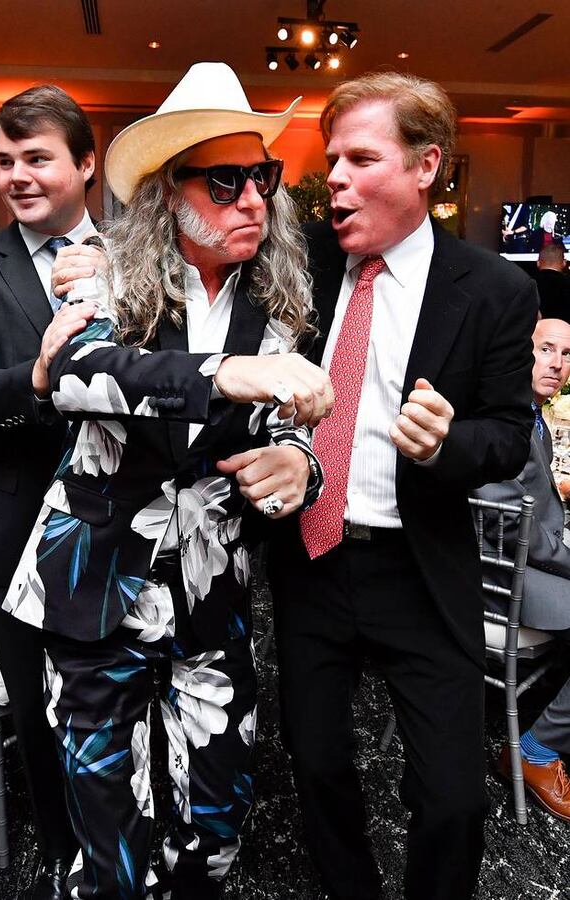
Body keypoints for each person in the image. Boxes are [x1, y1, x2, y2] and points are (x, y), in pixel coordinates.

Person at [3, 62, 331, 900]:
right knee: (106, 818)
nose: (254, 198)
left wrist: (301, 461)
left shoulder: (283, 304)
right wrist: (228, 374)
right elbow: (77, 372)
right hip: (93, 580)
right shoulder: (102, 268)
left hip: (209, 589)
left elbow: (293, 425)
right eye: (227, 180)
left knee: (217, 811)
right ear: (168, 190)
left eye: (264, 177)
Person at [267, 71, 539, 900]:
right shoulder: (301, 264)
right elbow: (192, 253)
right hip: (311, 561)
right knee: (314, 764)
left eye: (360, 158)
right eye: (332, 159)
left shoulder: (495, 290)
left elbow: (508, 435)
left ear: (426, 167)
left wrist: (445, 445)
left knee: (454, 798)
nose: (335, 179)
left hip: (421, 571)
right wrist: (92, 256)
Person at [0, 84, 102, 900]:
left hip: (128, 526)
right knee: (39, 712)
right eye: (4, 160)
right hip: (14, 519)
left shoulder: (141, 255)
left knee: (118, 700)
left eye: (37, 157)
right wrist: (39, 376)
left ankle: (136, 840)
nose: (17, 175)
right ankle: (65, 859)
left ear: (85, 163)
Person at [475, 318, 570, 822]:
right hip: (499, 584)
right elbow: (511, 529)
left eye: (567, 354)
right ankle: (534, 752)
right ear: (521, 351)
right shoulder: (503, 419)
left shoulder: (531, 414)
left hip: (525, 567)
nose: (556, 363)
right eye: (546, 349)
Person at [535, 244, 570, 322]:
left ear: (538, 263)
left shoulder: (527, 285)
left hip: (535, 333)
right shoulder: (567, 284)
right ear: (564, 263)